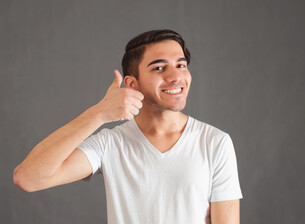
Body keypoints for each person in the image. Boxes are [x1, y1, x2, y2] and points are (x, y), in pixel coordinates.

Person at [13, 29, 243, 223]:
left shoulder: (215, 142)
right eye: (159, 68)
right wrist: (98, 113)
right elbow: (28, 178)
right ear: (132, 84)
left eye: (181, 65)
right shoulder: (109, 144)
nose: (176, 77)